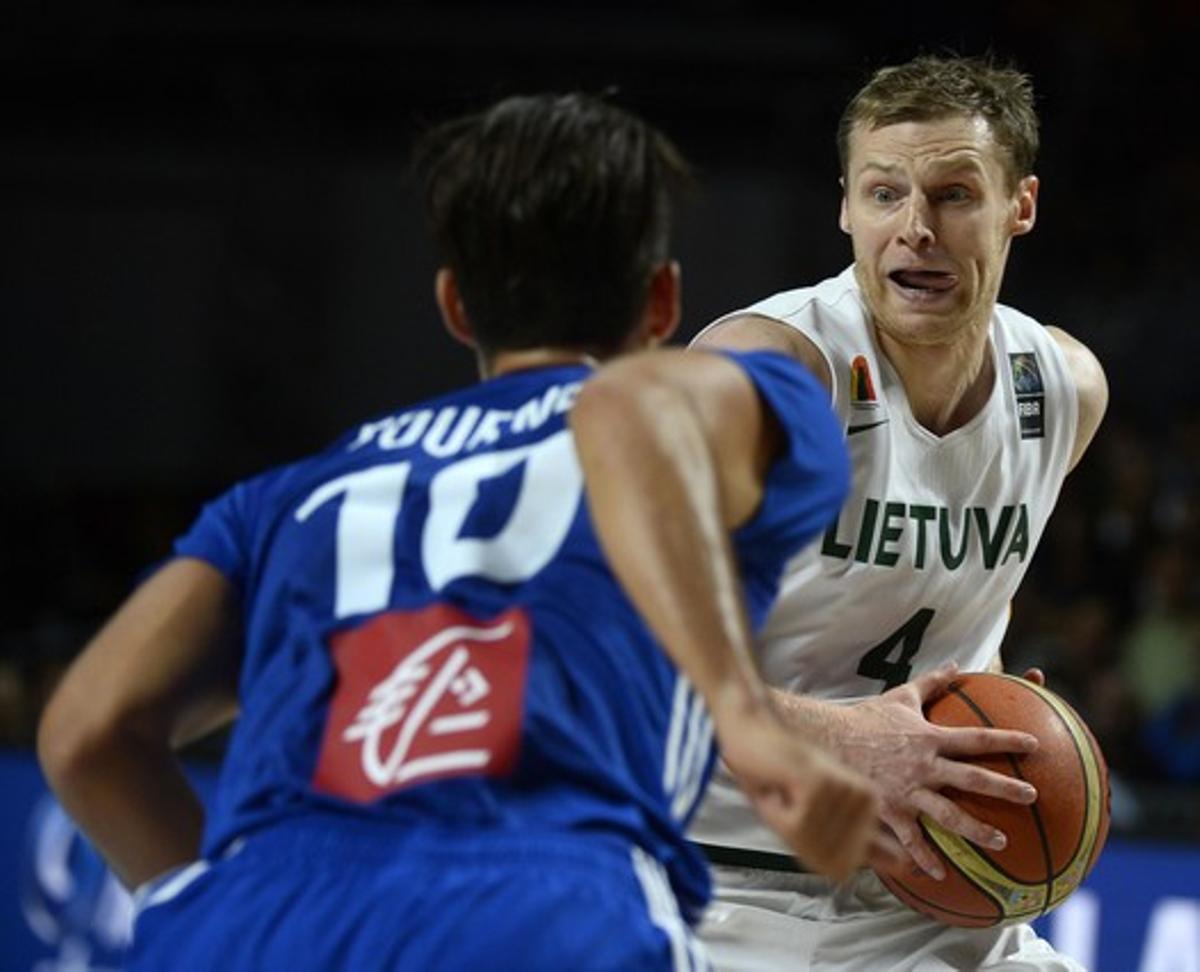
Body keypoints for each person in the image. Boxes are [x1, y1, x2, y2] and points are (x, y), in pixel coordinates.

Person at [37, 92, 886, 971]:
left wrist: (209, 908)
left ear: (453, 304)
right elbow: (624, 404)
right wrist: (743, 717)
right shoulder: (748, 396)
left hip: (256, 919)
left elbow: (86, 736)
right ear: (664, 300)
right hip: (541, 907)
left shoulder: (290, 495)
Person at [689, 55, 1108, 970]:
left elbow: (950, 623)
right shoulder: (768, 376)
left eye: (955, 195)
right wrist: (849, 735)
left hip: (933, 890)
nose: (915, 229)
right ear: (846, 204)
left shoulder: (1062, 388)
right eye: (884, 193)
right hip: (722, 887)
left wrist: (984, 710)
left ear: (1020, 206)